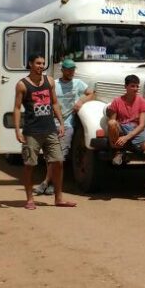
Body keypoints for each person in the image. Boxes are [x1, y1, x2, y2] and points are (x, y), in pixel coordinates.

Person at [14, 55, 76, 210]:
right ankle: (29, 199)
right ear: (30, 64)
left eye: (43, 63)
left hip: (50, 129)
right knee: (30, 165)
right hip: (32, 131)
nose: (41, 66)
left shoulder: (49, 81)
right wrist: (17, 130)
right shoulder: (22, 85)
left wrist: (61, 123)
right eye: (37, 63)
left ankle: (59, 198)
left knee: (58, 162)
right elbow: (16, 108)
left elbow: (54, 103)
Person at [33, 59, 95, 196]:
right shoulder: (54, 84)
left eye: (73, 69)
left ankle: (46, 183)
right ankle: (50, 184)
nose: (71, 72)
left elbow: (91, 92)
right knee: (51, 156)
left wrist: (80, 101)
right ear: (62, 70)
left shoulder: (78, 83)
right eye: (68, 69)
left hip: (67, 125)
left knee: (59, 157)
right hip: (51, 124)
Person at [107, 74, 145, 202]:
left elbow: (142, 125)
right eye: (132, 86)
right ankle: (118, 151)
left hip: (136, 129)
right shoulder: (117, 101)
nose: (135, 89)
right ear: (126, 87)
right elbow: (112, 120)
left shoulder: (141, 101)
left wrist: (127, 137)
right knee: (112, 123)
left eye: (137, 86)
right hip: (122, 127)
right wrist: (120, 136)